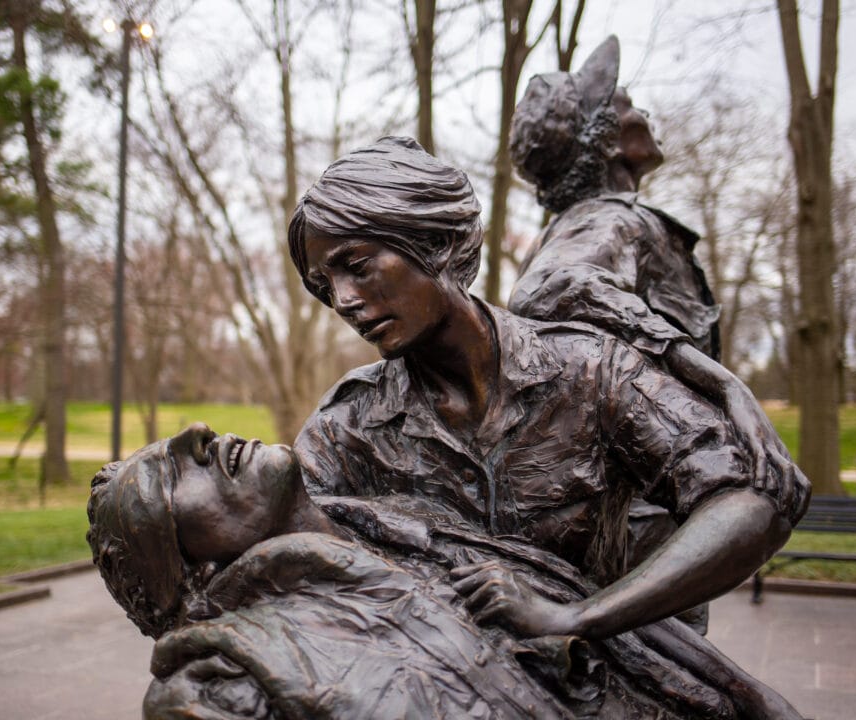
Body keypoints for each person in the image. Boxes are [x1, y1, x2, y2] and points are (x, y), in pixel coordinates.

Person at [288, 135, 809, 641]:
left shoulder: (590, 371)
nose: (343, 300)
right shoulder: (346, 426)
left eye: (357, 267)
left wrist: (576, 617)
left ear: (438, 244)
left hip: (592, 677)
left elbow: (751, 500)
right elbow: (282, 539)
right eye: (323, 286)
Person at [88, 423, 803, 719]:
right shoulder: (214, 686)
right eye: (168, 476)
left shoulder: (410, 521)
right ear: (187, 576)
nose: (196, 434)